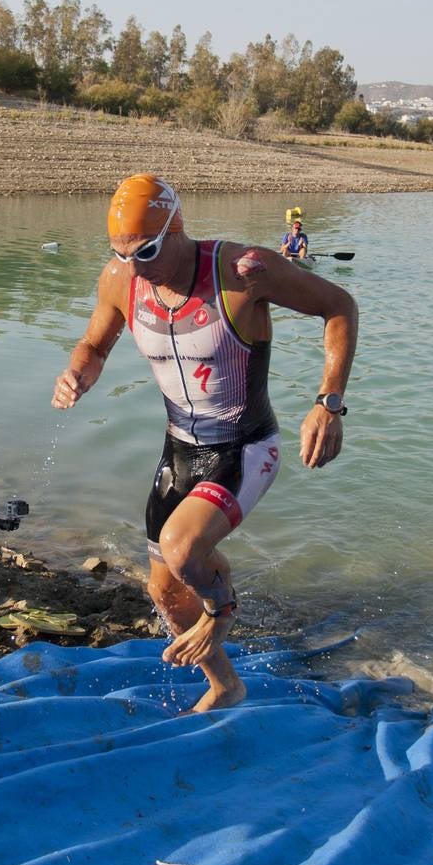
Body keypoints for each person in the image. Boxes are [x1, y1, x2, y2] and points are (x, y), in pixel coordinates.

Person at [52, 174, 356, 713]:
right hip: (178, 450)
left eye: (146, 249)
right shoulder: (121, 278)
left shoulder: (244, 271)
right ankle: (225, 685)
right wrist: (77, 371)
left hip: (245, 446)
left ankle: (222, 609)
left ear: (177, 229)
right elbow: (94, 344)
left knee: (184, 548)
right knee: (165, 591)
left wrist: (328, 402)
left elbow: (338, 305)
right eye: (121, 252)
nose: (136, 264)